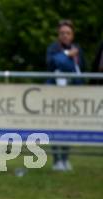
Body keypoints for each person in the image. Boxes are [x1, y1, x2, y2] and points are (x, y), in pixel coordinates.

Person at [46, 19, 85, 172]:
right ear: (58, 35)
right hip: (55, 94)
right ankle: (57, 161)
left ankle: (65, 159)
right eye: (62, 33)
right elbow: (53, 63)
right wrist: (67, 55)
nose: (65, 36)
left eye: (68, 33)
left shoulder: (78, 49)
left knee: (69, 126)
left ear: (72, 35)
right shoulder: (52, 49)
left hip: (72, 93)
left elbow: (81, 68)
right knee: (55, 126)